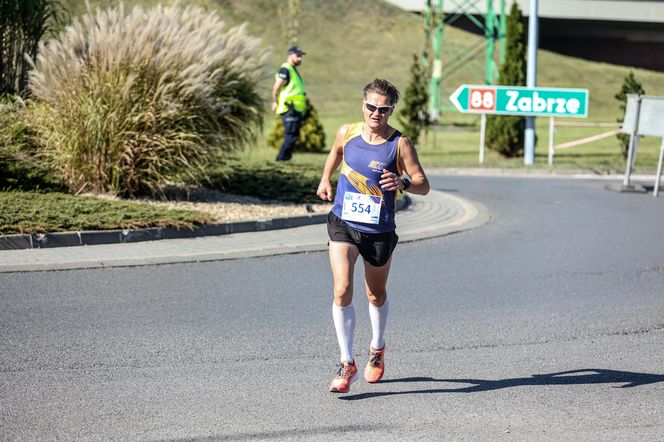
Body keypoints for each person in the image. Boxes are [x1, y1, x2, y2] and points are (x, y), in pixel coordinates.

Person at [316, 78, 430, 393]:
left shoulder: (400, 143)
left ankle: (377, 348)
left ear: (391, 110)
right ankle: (346, 361)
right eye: (371, 107)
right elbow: (335, 153)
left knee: (375, 295)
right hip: (343, 222)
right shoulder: (347, 132)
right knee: (341, 290)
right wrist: (326, 179)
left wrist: (404, 183)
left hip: (378, 230)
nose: (376, 114)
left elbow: (423, 183)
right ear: (363, 105)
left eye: (383, 109)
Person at [271, 46, 307, 161]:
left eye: (301, 56)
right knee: (290, 135)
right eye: (298, 56)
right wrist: (274, 102)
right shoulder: (285, 70)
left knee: (293, 135)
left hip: (295, 109)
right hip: (289, 108)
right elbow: (276, 88)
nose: (300, 59)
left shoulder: (292, 69)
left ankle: (285, 157)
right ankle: (281, 158)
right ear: (290, 56)